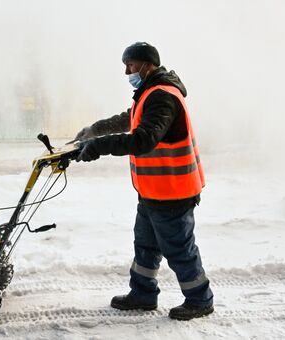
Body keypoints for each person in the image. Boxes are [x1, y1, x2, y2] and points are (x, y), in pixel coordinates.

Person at [74, 42, 213, 321]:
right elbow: (131, 119)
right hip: (153, 192)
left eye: (132, 65)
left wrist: (99, 147)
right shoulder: (149, 93)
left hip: (173, 192)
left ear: (148, 65)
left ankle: (200, 299)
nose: (127, 71)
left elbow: (144, 139)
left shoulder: (163, 96)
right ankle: (143, 294)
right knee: (145, 245)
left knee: (179, 249)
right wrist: (95, 131)